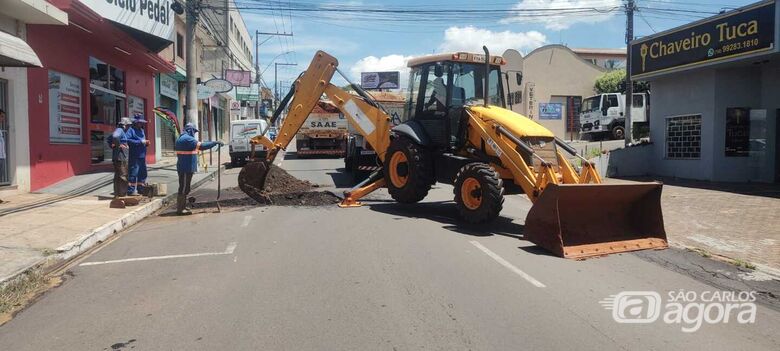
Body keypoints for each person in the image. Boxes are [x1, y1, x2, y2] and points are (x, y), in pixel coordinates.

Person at [175, 123, 222, 215]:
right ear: (190, 130)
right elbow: (202, 146)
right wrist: (214, 143)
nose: (194, 133)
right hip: (185, 167)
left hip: (186, 167)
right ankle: (180, 209)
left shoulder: (184, 138)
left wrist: (213, 142)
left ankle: (183, 206)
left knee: (186, 187)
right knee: (183, 188)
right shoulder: (187, 139)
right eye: (194, 131)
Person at [107, 117, 132, 197]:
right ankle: (122, 195)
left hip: (119, 157)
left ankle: (118, 194)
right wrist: (118, 145)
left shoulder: (120, 131)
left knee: (118, 176)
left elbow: (109, 139)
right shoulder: (120, 130)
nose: (129, 127)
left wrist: (114, 145)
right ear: (124, 125)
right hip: (121, 157)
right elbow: (115, 137)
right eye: (128, 126)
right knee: (123, 176)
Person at [126, 114, 150, 196]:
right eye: (139, 122)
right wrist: (140, 142)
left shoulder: (142, 130)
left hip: (142, 155)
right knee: (133, 173)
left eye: (142, 123)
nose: (141, 124)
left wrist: (146, 143)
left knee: (142, 173)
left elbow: (142, 141)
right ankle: (131, 190)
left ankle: (141, 189)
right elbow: (127, 140)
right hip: (134, 155)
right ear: (135, 122)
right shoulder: (131, 130)